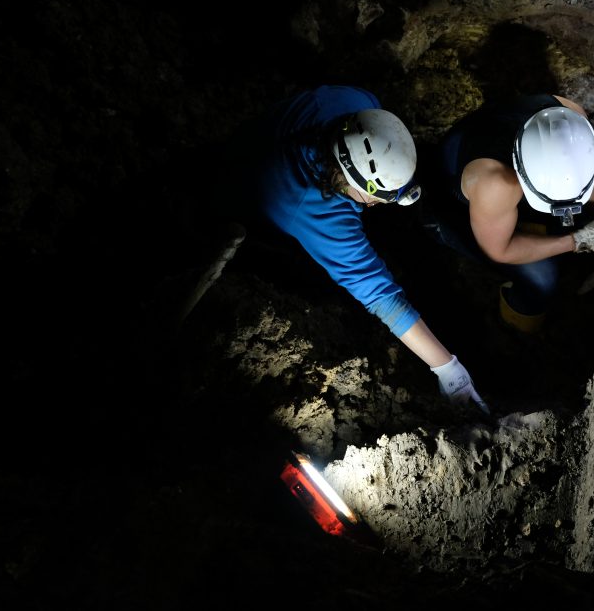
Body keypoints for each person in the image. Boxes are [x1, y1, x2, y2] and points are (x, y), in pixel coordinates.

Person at [209, 85, 489, 414]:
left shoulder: (354, 104)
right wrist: (448, 370)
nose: (377, 204)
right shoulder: (318, 214)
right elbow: (381, 296)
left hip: (240, 144)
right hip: (236, 207)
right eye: (378, 198)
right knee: (309, 280)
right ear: (354, 186)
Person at [424, 93, 594, 333]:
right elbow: (500, 250)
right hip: (454, 210)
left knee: (575, 220)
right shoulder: (497, 184)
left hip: (500, 162)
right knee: (542, 277)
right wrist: (577, 241)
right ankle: (515, 330)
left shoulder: (572, 125)